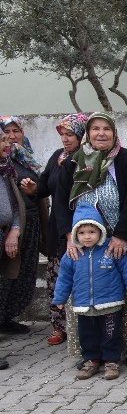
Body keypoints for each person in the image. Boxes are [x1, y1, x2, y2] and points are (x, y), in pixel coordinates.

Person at [55, 112, 127, 370]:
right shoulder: (73, 162)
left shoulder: (125, 159)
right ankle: (92, 353)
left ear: (114, 132)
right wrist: (69, 236)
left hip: (123, 239)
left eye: (106, 129)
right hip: (84, 241)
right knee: (85, 298)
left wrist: (122, 235)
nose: (101, 133)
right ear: (87, 133)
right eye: (95, 129)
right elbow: (60, 201)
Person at [53, 206, 127, 381]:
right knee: (87, 335)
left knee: (110, 334)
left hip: (110, 302)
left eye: (92, 231)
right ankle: (91, 361)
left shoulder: (111, 249)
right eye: (82, 232)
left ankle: (111, 361)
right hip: (84, 305)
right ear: (75, 234)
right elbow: (64, 278)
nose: (87, 236)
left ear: (100, 230)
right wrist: (60, 298)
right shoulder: (72, 254)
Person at [35, 113, 87, 345]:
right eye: (63, 135)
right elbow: (44, 185)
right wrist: (31, 188)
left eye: (70, 134)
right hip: (59, 224)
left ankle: (81, 325)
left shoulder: (87, 158)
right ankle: (59, 326)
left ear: (81, 135)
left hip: (83, 224)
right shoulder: (57, 157)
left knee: (81, 275)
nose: (65, 139)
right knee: (57, 276)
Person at [0, 117, 42, 335]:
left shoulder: (22, 160)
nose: (11, 138)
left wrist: (34, 189)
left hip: (27, 223)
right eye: (5, 133)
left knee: (22, 273)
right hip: (7, 230)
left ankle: (8, 317)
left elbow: (34, 193)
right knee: (5, 277)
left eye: (15, 131)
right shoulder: (5, 164)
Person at [0, 133, 26, 369]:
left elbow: (15, 205)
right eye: (1, 140)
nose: (7, 143)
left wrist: (14, 230)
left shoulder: (6, 170)